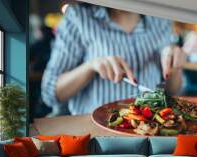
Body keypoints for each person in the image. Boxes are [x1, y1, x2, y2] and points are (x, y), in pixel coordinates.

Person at [41, 3, 186, 115]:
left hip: (150, 127)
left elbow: (174, 91)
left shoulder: (161, 20)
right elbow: (49, 93)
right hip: (96, 133)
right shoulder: (79, 17)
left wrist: (175, 67)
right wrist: (91, 66)